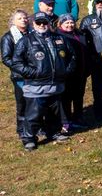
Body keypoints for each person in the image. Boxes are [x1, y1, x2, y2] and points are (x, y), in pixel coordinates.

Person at [9, 12, 75, 150]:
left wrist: (65, 71)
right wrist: (33, 73)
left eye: (44, 22)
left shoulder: (60, 38)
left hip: (56, 85)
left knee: (55, 112)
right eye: (38, 23)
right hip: (36, 86)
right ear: (33, 24)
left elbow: (72, 56)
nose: (42, 25)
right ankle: (29, 138)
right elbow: (16, 62)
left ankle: (54, 132)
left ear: (49, 24)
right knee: (33, 114)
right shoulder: (26, 41)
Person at [2, 10, 31, 142]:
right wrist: (21, 68)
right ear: (14, 21)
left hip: (34, 74)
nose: (23, 20)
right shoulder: (8, 37)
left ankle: (36, 126)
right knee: (22, 103)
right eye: (19, 18)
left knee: (35, 102)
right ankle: (21, 129)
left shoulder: (33, 33)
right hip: (19, 76)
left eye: (25, 18)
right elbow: (6, 58)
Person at [56, 14, 89, 132]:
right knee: (66, 98)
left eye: (71, 22)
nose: (70, 25)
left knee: (79, 96)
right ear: (60, 24)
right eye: (66, 23)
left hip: (81, 72)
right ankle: (66, 121)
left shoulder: (79, 34)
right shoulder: (58, 36)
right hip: (67, 73)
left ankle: (78, 118)